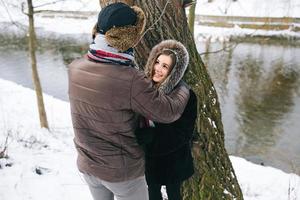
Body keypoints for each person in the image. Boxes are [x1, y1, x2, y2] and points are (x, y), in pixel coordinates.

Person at [68, 3, 190, 200]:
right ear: (129, 37)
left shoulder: (75, 67)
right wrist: (183, 88)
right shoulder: (130, 79)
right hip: (122, 175)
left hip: (88, 166)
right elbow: (167, 112)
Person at [135, 40, 197, 200]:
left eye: (165, 66)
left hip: (173, 159)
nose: (158, 69)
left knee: (174, 193)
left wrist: (154, 136)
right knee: (152, 193)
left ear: (173, 72)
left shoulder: (184, 96)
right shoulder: (143, 88)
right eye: (157, 62)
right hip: (149, 158)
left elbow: (184, 132)